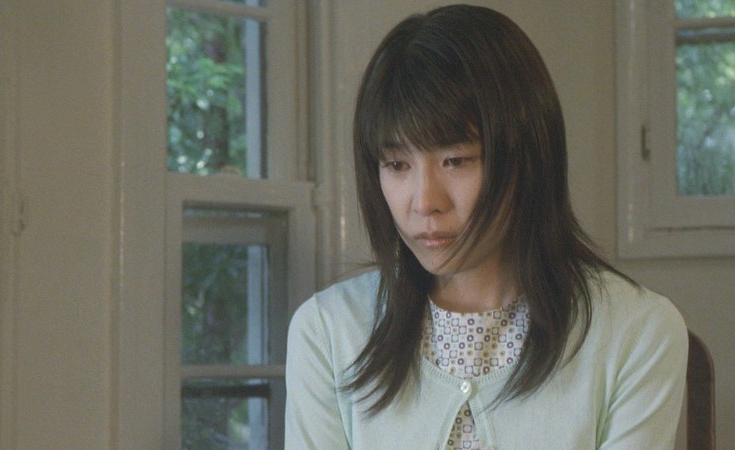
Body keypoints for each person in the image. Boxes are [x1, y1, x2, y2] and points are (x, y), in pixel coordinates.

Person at [285, 4, 688, 450]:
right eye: (397, 164)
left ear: (529, 155)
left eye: (456, 161)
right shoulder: (328, 333)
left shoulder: (637, 331)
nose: (425, 202)